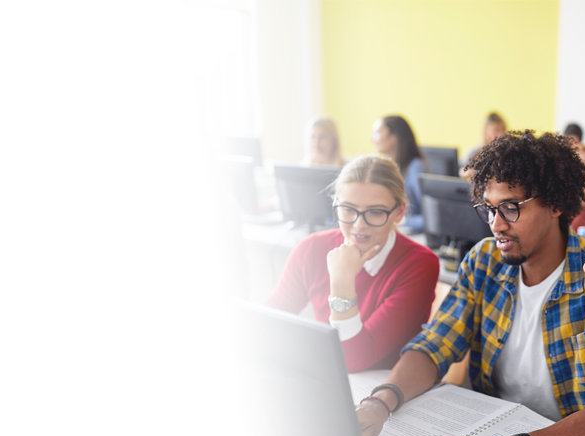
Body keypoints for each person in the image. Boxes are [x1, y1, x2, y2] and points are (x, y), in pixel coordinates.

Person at [355, 131, 585, 436]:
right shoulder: (484, 260)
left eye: (510, 208)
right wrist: (380, 402)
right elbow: (435, 344)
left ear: (555, 204)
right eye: (489, 209)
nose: (496, 225)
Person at [263, 155, 439, 373]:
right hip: (331, 376)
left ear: (399, 212)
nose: (359, 224)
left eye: (375, 212)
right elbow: (265, 325)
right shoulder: (311, 250)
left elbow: (354, 361)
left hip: (387, 386)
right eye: (348, 209)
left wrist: (342, 282)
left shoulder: (419, 264)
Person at [159, 130, 248, 297]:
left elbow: (159, 277)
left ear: (172, 171)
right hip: (218, 309)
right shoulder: (225, 205)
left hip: (197, 312)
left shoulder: (192, 215)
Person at [371, 116, 426, 232]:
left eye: (377, 132)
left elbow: (431, 217)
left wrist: (401, 221)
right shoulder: (383, 167)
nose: (372, 138)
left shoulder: (415, 168)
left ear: (393, 137)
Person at [460, 112, 507, 179]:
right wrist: (466, 172)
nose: (500, 134)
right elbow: (461, 169)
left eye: (503, 130)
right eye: (496, 131)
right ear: (485, 131)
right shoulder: (474, 151)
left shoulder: (507, 153)